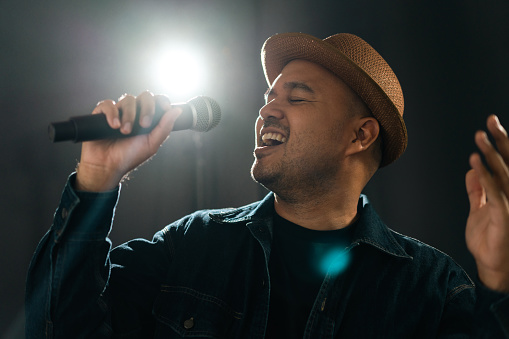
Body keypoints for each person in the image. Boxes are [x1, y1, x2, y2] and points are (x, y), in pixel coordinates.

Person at [25, 32, 509, 338]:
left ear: (360, 135)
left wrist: (500, 282)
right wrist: (97, 182)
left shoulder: (432, 289)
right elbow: (56, 327)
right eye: (268, 96)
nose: (267, 110)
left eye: (297, 98)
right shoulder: (193, 244)